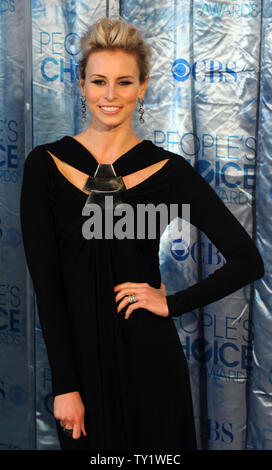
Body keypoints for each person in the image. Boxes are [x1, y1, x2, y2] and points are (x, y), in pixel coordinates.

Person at [20, 16, 264, 451]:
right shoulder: (46, 166)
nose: (110, 96)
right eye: (99, 81)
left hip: (151, 364)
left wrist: (171, 302)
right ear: (81, 85)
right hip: (81, 373)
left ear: (143, 87)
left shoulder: (168, 171)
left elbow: (248, 259)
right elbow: (47, 285)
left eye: (124, 82)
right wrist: (65, 385)